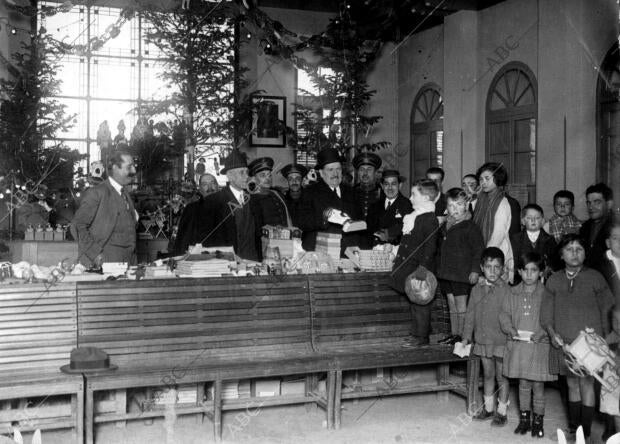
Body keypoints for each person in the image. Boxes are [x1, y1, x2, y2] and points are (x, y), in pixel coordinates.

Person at [540, 234, 614, 442]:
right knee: (572, 384)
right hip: (565, 345)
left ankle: (587, 432)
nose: (574, 253)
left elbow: (608, 310)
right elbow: (546, 314)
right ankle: (575, 430)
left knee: (587, 383)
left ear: (585, 253)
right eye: (569, 249)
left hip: (591, 345)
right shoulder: (554, 280)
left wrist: (606, 341)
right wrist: (553, 334)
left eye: (579, 249)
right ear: (561, 255)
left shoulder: (595, 278)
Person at [499, 252, 556, 438]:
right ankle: (524, 421)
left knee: (538, 386)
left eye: (534, 270)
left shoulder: (547, 294)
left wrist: (542, 332)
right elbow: (504, 314)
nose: (529, 274)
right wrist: (510, 329)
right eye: (525, 270)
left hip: (539, 346)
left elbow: (551, 318)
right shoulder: (512, 292)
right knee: (523, 384)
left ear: (540, 272)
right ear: (519, 272)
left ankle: (538, 423)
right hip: (520, 347)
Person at [462, 247, 511, 426]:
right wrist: (466, 337)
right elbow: (470, 315)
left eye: (497, 267)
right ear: (482, 267)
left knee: (502, 377)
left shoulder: (507, 291)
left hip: (501, 342)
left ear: (503, 269)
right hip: (482, 341)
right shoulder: (476, 290)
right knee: (488, 374)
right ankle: (488, 409)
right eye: (488, 266)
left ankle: (502, 411)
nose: (492, 271)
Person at [389, 179, 440, 346]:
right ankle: (417, 333)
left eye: (414, 194)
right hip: (410, 267)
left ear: (426, 198)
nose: (410, 198)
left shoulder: (429, 219)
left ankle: (421, 337)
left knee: (420, 303)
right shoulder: (415, 216)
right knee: (414, 301)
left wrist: (423, 269)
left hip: (419, 269)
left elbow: (430, 247)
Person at [71, 151, 138, 267]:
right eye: (129, 167)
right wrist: (95, 255)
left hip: (129, 262)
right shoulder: (97, 193)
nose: (134, 171)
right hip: (106, 263)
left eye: (133, 166)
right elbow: (77, 226)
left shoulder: (125, 193)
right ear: (115, 168)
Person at [436, 188, 484, 343]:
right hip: (446, 273)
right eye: (451, 205)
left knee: (461, 306)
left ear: (466, 205)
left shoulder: (471, 227)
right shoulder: (446, 226)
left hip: (462, 274)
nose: (455, 209)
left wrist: (476, 270)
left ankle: (464, 336)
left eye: (459, 205)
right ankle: (454, 334)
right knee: (451, 305)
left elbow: (478, 251)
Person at [297, 148, 362, 256]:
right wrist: (325, 218)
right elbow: (301, 222)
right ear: (322, 173)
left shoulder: (352, 192)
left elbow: (360, 221)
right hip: (319, 252)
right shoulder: (310, 193)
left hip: (349, 254)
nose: (335, 173)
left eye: (338, 169)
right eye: (330, 170)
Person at [206, 150, 259, 261]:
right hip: (227, 265)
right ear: (229, 176)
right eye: (241, 173)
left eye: (247, 172)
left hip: (252, 263)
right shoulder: (214, 202)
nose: (246, 177)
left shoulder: (254, 200)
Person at [472, 162, 514, 283]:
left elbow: (498, 234)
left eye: (487, 178)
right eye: (480, 179)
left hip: (495, 252)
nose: (483, 182)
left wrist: (486, 257)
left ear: (498, 179)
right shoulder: (481, 199)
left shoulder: (502, 202)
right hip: (481, 250)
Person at [510, 204, 559, 284]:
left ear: (543, 221)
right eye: (529, 218)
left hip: (543, 280)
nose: (533, 220)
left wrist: (549, 268)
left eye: (537, 218)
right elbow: (513, 261)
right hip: (521, 279)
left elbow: (554, 261)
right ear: (523, 221)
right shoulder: (515, 239)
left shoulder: (549, 239)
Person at [173, 173, 219, 254]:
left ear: (217, 186)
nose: (210, 187)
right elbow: (183, 239)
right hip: (198, 257)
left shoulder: (227, 206)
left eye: (212, 183)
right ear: (200, 189)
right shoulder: (191, 209)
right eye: (205, 184)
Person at [366, 170, 412, 246]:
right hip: (374, 252)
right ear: (382, 186)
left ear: (400, 185)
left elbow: (408, 234)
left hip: (396, 252)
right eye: (386, 184)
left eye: (393, 184)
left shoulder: (407, 205)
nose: (390, 188)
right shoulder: (374, 206)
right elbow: (368, 232)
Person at [579, 182, 614, 272]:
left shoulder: (616, 228)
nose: (591, 207)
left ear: (609, 204)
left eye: (597, 202)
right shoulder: (584, 227)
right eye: (589, 203)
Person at [248, 157, 291, 228]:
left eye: (269, 175)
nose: (267, 178)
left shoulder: (278, 194)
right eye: (263, 175)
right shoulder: (251, 199)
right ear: (254, 179)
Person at [352, 152, 382, 220]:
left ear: (376, 173)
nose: (365, 173)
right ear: (358, 172)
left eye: (369, 169)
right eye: (362, 169)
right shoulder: (349, 194)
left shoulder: (384, 194)